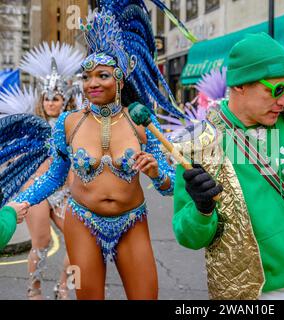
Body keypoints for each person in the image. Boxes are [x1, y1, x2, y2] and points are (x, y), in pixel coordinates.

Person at [10, 3, 192, 299]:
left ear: (120, 79)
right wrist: (20, 203)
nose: (92, 83)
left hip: (132, 221)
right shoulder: (69, 123)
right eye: (87, 76)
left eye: (103, 75)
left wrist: (158, 173)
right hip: (82, 222)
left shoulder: (142, 120)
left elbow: (171, 186)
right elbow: (55, 176)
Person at [172, 33, 284, 300]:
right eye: (275, 91)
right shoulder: (198, 145)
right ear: (239, 86)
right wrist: (202, 210)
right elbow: (189, 236)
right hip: (255, 295)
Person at [0, 42, 83, 299]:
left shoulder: (73, 125)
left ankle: (64, 288)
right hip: (36, 191)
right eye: (46, 98)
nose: (49, 102)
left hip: (64, 192)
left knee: (78, 243)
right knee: (42, 241)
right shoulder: (31, 123)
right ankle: (34, 290)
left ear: (65, 100)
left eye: (55, 98)